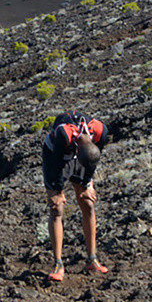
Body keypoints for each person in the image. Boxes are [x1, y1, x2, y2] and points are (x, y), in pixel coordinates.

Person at [43, 110, 109, 282]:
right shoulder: (64, 135)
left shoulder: (101, 132)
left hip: (83, 156)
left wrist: (87, 183)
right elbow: (56, 163)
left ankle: (92, 259)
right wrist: (57, 191)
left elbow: (93, 162)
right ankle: (58, 264)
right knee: (57, 208)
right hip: (56, 156)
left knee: (88, 203)